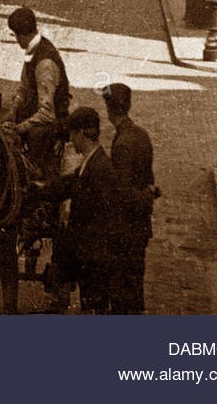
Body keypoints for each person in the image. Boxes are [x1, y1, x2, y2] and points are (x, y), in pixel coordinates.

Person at [44, 107, 117, 313]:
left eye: (72, 135)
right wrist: (41, 190)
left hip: (94, 259)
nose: (71, 141)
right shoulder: (92, 162)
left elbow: (93, 220)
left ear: (82, 134)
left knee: (94, 310)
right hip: (90, 257)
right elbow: (70, 184)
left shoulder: (99, 168)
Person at [103, 83, 157, 314]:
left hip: (125, 229)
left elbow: (123, 194)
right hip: (140, 226)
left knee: (122, 291)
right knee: (134, 286)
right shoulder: (140, 134)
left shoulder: (122, 144)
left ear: (108, 109)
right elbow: (148, 178)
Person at [5, 6, 70, 173]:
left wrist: (19, 128)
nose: (16, 40)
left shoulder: (44, 63)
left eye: (15, 35)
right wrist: (13, 110)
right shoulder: (34, 50)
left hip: (51, 125)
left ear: (21, 35)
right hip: (36, 114)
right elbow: (25, 87)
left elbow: (46, 113)